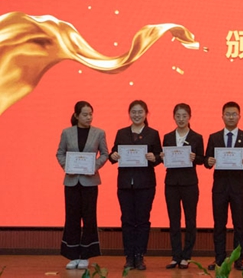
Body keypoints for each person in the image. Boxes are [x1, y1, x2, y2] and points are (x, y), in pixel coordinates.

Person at [109, 100, 162, 270]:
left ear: (146, 114)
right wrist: (113, 156)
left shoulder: (153, 133)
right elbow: (113, 153)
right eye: (134, 112)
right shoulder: (121, 133)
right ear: (129, 113)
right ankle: (129, 256)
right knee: (127, 220)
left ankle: (140, 255)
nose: (137, 115)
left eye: (140, 112)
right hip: (125, 184)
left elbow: (159, 157)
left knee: (143, 221)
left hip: (145, 184)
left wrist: (154, 158)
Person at [204, 101, 243, 271]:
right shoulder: (214, 137)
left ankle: (239, 259)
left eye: (234, 114)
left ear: (239, 116)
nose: (231, 117)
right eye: (228, 114)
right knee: (219, 224)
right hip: (219, 188)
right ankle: (219, 258)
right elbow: (206, 160)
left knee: (239, 224)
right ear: (222, 116)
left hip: (238, 187)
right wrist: (209, 161)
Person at [56, 101, 109, 270]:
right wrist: (67, 166)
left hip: (90, 182)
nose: (89, 117)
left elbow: (105, 154)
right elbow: (60, 153)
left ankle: (86, 255)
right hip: (72, 181)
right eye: (85, 114)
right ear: (76, 116)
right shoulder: (67, 132)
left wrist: (94, 166)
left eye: (91, 114)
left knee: (89, 217)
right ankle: (72, 255)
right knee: (72, 217)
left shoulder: (99, 133)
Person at [160, 103, 205, 270]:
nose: (181, 119)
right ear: (173, 117)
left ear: (189, 117)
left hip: (189, 183)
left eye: (184, 116)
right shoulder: (167, 137)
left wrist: (195, 158)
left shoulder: (197, 137)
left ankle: (187, 256)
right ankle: (175, 256)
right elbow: (165, 160)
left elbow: (202, 159)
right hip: (171, 183)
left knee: (190, 220)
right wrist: (163, 156)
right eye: (178, 116)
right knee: (174, 220)